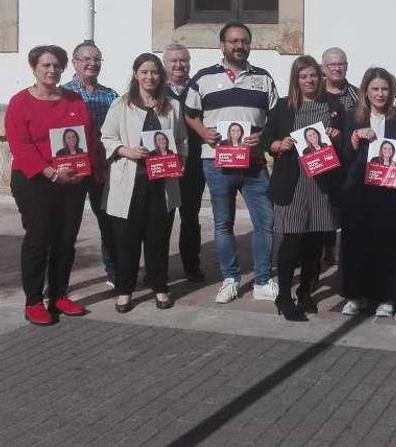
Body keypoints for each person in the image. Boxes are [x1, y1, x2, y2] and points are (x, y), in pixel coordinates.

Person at [185, 22, 280, 304]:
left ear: (250, 45)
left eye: (244, 41)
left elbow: (275, 118)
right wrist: (203, 132)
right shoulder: (203, 78)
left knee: (265, 222)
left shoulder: (263, 78)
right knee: (223, 224)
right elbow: (190, 113)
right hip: (217, 163)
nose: (239, 46)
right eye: (233, 41)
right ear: (222, 45)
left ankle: (262, 280)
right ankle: (230, 278)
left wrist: (262, 137)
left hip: (254, 164)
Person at [5, 45, 98, 325]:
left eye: (56, 65)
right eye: (45, 65)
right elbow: (20, 145)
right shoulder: (20, 102)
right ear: (34, 68)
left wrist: (84, 169)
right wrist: (50, 172)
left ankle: (59, 295)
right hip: (35, 181)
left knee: (65, 240)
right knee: (39, 239)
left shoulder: (74, 100)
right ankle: (34, 301)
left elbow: (88, 138)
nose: (51, 70)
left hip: (73, 181)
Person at [101, 53, 187, 313]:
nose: (150, 77)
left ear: (161, 76)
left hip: (161, 184)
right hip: (129, 182)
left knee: (158, 240)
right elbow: (106, 137)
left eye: (155, 72)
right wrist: (126, 151)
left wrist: (180, 162)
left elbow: (181, 140)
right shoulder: (121, 104)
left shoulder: (172, 106)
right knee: (126, 241)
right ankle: (124, 290)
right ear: (136, 74)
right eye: (144, 72)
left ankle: (160, 286)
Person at [262, 55, 345, 321]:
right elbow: (267, 139)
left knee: (315, 244)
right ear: (296, 80)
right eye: (303, 76)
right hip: (294, 183)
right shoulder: (284, 107)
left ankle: (306, 292)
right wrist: (278, 145)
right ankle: (284, 296)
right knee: (292, 241)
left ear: (320, 77)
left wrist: (338, 136)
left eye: (313, 75)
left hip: (322, 183)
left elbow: (343, 144)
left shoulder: (333, 106)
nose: (309, 80)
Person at [339, 67, 396, 317]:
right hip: (359, 191)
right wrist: (353, 139)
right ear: (366, 91)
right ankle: (356, 294)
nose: (380, 94)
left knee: (390, 244)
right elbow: (344, 157)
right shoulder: (352, 116)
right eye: (375, 89)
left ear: (391, 92)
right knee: (357, 243)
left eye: (384, 89)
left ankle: (388, 297)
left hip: (391, 191)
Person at [62, 40, 118, 288]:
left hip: (102, 168)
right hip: (72, 169)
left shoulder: (111, 95)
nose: (92, 63)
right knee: (66, 226)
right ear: (74, 62)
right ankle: (56, 282)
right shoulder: (62, 94)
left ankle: (115, 273)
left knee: (109, 222)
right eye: (86, 59)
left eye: (97, 59)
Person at [163, 43, 206, 283]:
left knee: (191, 216)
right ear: (165, 64)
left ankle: (191, 265)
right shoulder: (156, 89)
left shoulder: (198, 87)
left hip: (194, 162)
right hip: (166, 161)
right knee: (163, 217)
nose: (180, 65)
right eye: (174, 61)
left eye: (184, 60)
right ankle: (157, 268)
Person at [321, 47, 358, 264]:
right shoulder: (314, 94)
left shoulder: (358, 94)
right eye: (332, 64)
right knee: (324, 208)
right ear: (324, 68)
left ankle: (347, 250)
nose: (337, 68)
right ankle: (325, 247)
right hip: (323, 162)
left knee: (348, 209)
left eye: (341, 64)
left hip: (350, 161)